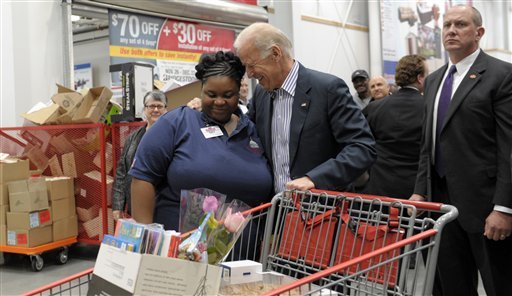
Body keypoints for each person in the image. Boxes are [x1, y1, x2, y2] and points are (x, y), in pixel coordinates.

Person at [410, 5, 512, 295]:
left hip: (487, 208)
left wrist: (504, 207)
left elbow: (509, 146)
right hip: (441, 207)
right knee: (452, 286)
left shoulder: (501, 75)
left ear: (478, 33)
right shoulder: (433, 81)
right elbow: (427, 144)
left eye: (461, 25)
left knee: (499, 285)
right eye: (447, 25)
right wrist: (420, 190)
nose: (451, 30)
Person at [129, 51, 273, 230]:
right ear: (201, 90)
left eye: (228, 95)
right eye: (211, 94)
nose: (219, 102)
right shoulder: (176, 123)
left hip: (243, 254)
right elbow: (143, 177)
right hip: (178, 252)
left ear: (239, 92)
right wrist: (146, 237)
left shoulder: (253, 130)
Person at [233, 23, 376, 193]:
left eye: (251, 65)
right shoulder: (261, 94)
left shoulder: (328, 89)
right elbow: (246, 131)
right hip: (276, 213)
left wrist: (314, 178)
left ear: (275, 53)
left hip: (321, 211)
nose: (248, 74)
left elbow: (362, 147)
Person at [362, 54, 427, 199]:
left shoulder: (373, 108)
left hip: (379, 189)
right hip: (416, 192)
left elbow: (362, 146)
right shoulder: (429, 108)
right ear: (419, 78)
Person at [112, 90, 167, 221]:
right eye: (151, 106)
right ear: (144, 109)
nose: (155, 110)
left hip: (163, 206)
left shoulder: (173, 136)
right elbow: (122, 171)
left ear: (166, 109)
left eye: (159, 106)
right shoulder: (133, 138)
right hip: (136, 206)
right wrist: (118, 206)